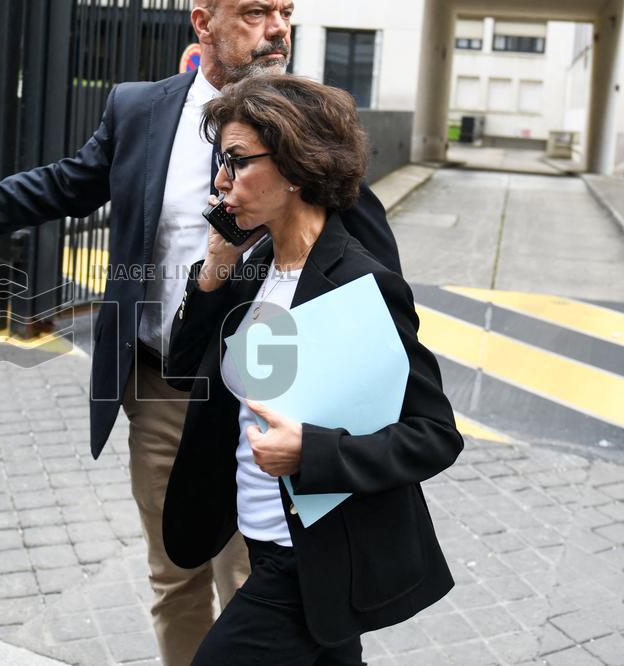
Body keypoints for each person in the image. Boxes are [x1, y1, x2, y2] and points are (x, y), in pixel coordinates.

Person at [0, 2, 401, 663]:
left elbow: (374, 268)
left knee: (256, 577)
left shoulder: (306, 122)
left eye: (285, 11)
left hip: (265, 400)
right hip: (159, 388)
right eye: (255, 11)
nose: (277, 28)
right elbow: (62, 185)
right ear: (202, 21)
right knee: (175, 571)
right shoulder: (141, 109)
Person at [162, 73, 463, 664]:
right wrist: (216, 267)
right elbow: (181, 370)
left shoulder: (358, 282)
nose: (220, 181)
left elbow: (435, 433)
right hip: (257, 535)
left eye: (237, 162)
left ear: (296, 167)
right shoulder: (255, 265)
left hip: (312, 553)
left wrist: (311, 453)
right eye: (219, 163)